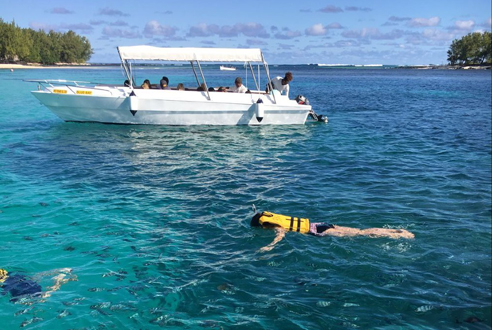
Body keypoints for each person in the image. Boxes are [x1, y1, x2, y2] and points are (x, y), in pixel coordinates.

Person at [251, 211, 414, 252]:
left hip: (322, 232)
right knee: (360, 230)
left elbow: (281, 235)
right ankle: (396, 231)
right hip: (322, 224)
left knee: (361, 234)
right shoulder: (274, 217)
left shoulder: (274, 225)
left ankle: (393, 235)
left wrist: (269, 246)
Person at [0, 268, 77, 303]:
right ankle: (58, 275)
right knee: (44, 294)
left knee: (45, 295)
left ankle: (58, 279)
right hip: (29, 285)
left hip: (23, 292)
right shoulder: (17, 275)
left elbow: (5, 293)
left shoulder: (3, 284)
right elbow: (34, 277)